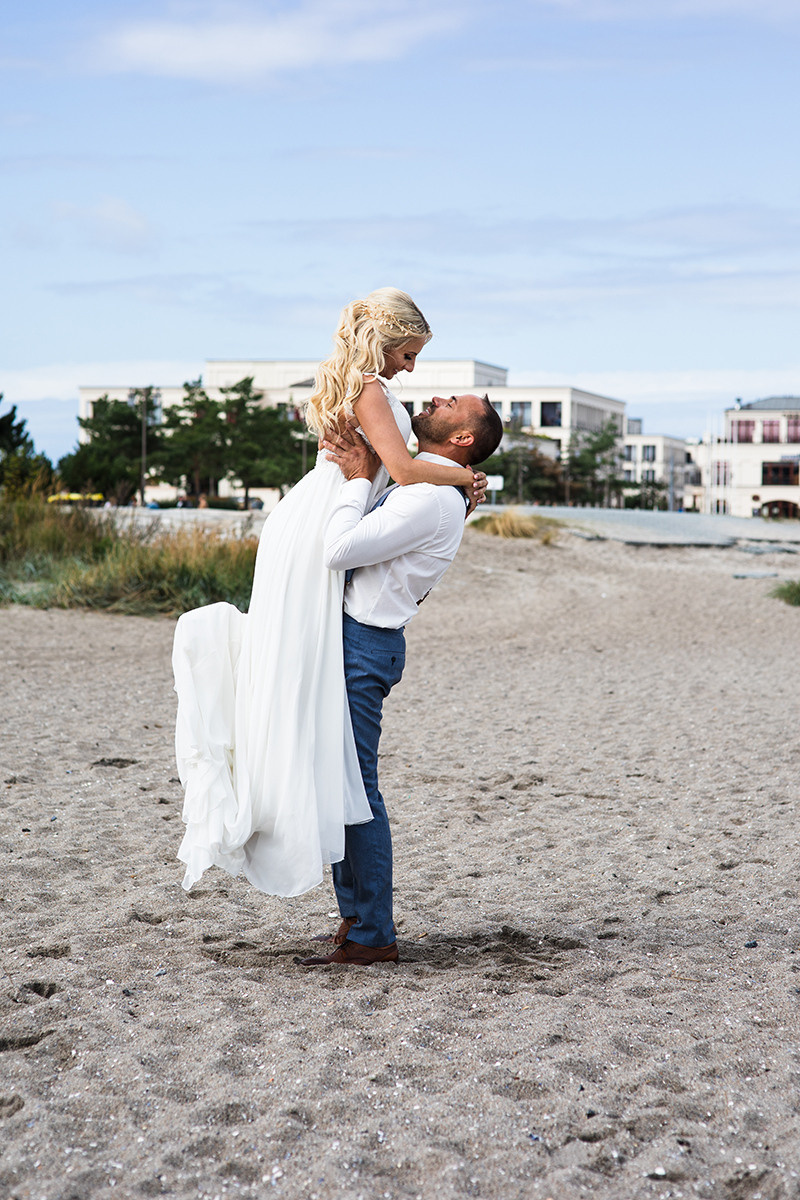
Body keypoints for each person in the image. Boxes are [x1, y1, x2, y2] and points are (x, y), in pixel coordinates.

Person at [173, 288, 488, 899]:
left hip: (329, 520)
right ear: (387, 338)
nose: (413, 368)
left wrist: (458, 484)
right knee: (318, 713)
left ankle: (359, 914)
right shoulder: (370, 388)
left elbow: (401, 491)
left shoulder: (375, 388)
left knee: (319, 724)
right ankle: (360, 914)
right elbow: (398, 472)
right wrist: (465, 475)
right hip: (318, 521)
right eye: (410, 352)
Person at [298, 392, 504, 966]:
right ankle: (356, 916)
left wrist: (358, 480)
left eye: (451, 403)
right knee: (341, 781)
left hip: (363, 646)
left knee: (357, 787)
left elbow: (338, 550)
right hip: (362, 641)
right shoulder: (432, 487)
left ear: (461, 438)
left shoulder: (431, 499)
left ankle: (373, 934)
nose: (435, 396)